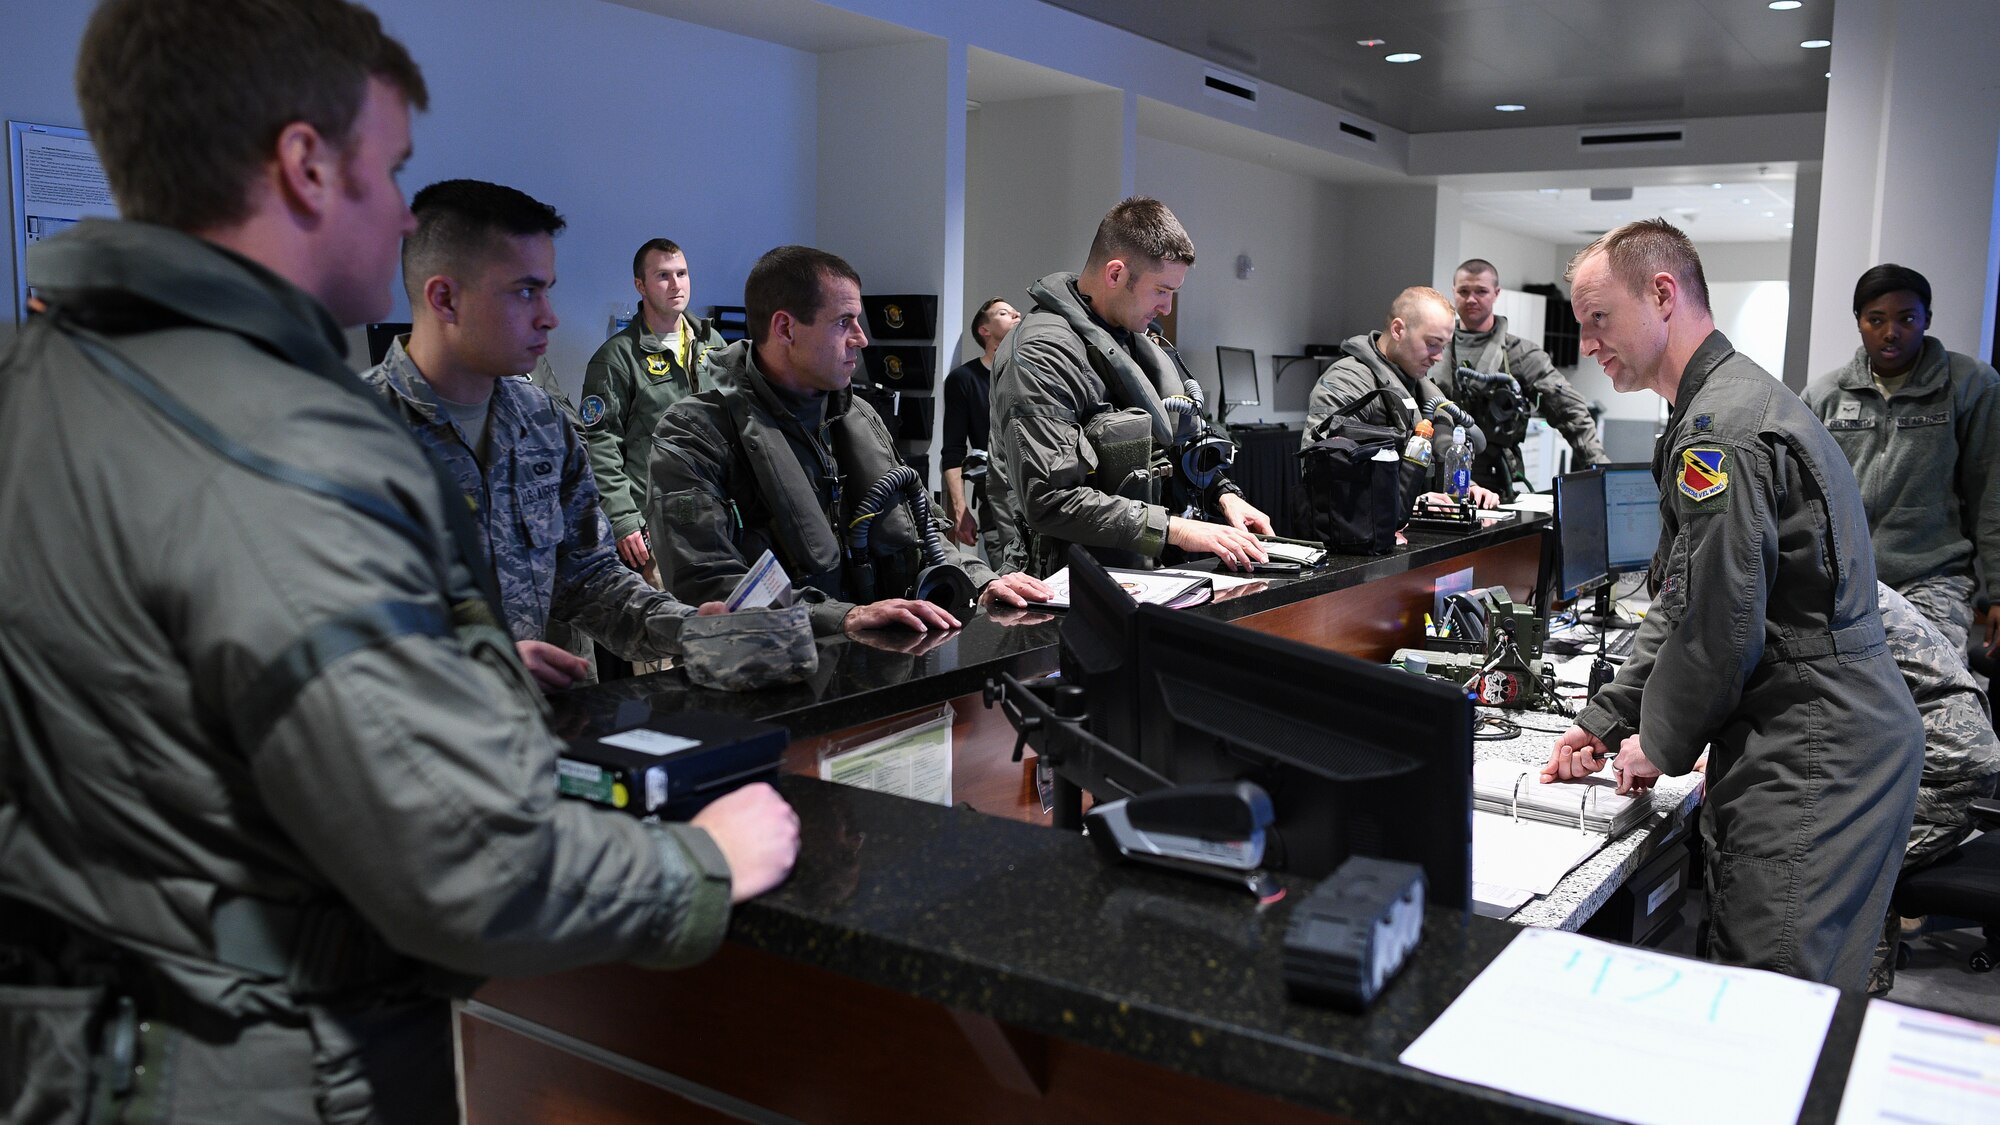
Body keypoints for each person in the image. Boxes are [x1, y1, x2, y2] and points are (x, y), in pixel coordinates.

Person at [0, 3, 798, 1120]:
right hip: (261, 1060)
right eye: (389, 172)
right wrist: (701, 866)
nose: (396, 217)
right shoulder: (294, 443)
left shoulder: (42, 379)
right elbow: (461, 865)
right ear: (306, 167)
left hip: (82, 1044)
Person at [1541, 219, 1922, 989]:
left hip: (1814, 736)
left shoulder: (1722, 431)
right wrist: (1607, 717)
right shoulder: (1719, 404)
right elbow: (1682, 601)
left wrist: (1661, 739)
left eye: (1599, 319)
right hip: (1825, 724)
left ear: (1661, 293)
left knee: (1767, 998)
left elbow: (1720, 626)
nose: (1589, 344)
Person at [362, 179, 725, 690]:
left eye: (547, 291)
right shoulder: (351, 431)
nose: (549, 318)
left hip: (537, 732)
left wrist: (690, 628)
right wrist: (472, 662)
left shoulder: (543, 422)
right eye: (525, 292)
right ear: (445, 298)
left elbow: (591, 580)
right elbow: (313, 626)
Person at [650, 245, 1051, 635]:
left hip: (887, 660)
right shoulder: (696, 434)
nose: (860, 338)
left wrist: (982, 579)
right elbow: (704, 580)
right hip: (774, 675)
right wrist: (840, 617)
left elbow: (920, 529)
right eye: (844, 322)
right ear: (785, 328)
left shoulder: (859, 415)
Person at [989, 197, 1273, 576]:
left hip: (1142, 573)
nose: (1168, 308)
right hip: (1066, 583)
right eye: (1161, 290)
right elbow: (1049, 499)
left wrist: (1223, 493)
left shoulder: (1133, 339)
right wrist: (1177, 530)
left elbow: (1170, 444)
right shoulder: (1042, 352)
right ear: (1116, 274)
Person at [1802, 263, 2000, 659]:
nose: (1891, 332)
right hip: (1844, 581)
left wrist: (1998, 590)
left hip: (1932, 578)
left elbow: (1991, 490)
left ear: (1927, 319)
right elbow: (1797, 497)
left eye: (1906, 318)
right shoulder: (1824, 396)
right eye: (1876, 319)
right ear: (1859, 322)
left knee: (1929, 690)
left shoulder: (1971, 385)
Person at [579, 238, 729, 587]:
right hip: (657, 522)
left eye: (682, 273)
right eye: (663, 275)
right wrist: (623, 519)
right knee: (667, 627)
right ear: (640, 285)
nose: (676, 285)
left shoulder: (714, 344)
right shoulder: (617, 357)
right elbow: (600, 444)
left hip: (716, 514)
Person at [1302, 286, 1502, 510]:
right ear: (1398, 330)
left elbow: (1437, 459)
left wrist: (1465, 489)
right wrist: (1410, 505)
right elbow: (1322, 473)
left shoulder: (1426, 391)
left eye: (1443, 347)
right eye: (1432, 344)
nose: (1438, 357)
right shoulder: (1347, 383)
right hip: (1359, 537)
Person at [1433, 258, 1605, 494]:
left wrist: (1602, 470)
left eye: (1481, 291)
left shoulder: (1521, 355)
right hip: (1436, 475)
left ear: (1496, 293)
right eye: (1464, 291)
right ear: (1453, 292)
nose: (1471, 299)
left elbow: (1572, 413)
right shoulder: (1433, 348)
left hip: (1495, 481)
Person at [942, 296, 1022, 561]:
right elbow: (953, 450)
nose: (1015, 314)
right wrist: (960, 509)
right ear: (984, 330)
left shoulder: (1027, 374)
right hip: (996, 495)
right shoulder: (964, 379)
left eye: (1014, 311)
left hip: (1035, 491)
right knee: (1008, 571)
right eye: (1003, 312)